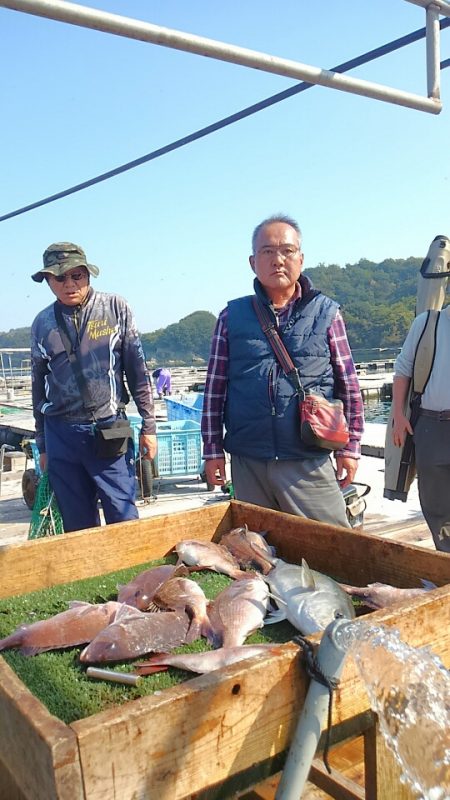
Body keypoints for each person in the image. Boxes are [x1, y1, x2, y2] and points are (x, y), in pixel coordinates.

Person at [201, 214, 364, 527]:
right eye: (267, 251)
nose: (278, 260)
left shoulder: (327, 313)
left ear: (301, 259)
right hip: (250, 460)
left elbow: (349, 385)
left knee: (331, 543)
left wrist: (351, 448)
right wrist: (212, 451)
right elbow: (214, 391)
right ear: (252, 262)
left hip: (307, 456)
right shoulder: (230, 317)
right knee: (260, 549)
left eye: (287, 251)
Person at [30, 241, 157, 533]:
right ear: (48, 280)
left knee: (123, 514)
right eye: (60, 277)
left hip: (108, 428)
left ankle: (131, 575)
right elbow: (39, 386)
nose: (69, 284)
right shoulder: (42, 323)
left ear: (88, 275)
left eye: (77, 275)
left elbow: (138, 371)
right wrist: (43, 445)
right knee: (77, 523)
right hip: (60, 433)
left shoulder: (115, 307)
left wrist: (149, 427)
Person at [391, 306, 450, 552]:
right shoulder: (427, 323)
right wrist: (398, 415)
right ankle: (446, 561)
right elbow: (403, 370)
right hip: (430, 424)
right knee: (436, 505)